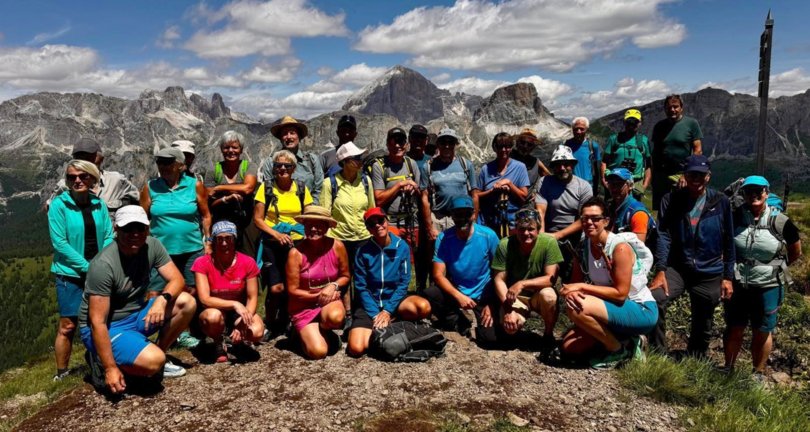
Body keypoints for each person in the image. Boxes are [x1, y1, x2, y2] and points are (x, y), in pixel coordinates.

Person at [79, 205, 196, 394]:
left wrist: (162, 299)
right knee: (152, 361)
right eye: (128, 229)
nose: (135, 234)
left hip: (136, 313)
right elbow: (97, 322)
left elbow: (177, 279)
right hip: (108, 325)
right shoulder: (103, 265)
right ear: (116, 229)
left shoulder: (152, 245)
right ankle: (102, 361)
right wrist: (110, 369)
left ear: (147, 229)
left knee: (186, 302)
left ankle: (158, 354)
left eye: (140, 228)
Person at [649, 155, 735, 357]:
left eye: (701, 174)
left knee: (704, 311)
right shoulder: (671, 200)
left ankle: (696, 357)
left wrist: (728, 277)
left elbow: (728, 240)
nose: (696, 178)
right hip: (677, 267)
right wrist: (660, 270)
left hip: (709, 269)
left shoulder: (720, 202)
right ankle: (658, 355)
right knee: (655, 298)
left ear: (708, 177)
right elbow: (663, 235)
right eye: (691, 174)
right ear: (684, 176)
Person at [560, 197, 658, 368]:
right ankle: (628, 341)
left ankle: (618, 349)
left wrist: (581, 287)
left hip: (639, 308)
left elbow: (621, 294)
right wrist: (572, 291)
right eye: (584, 218)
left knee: (577, 307)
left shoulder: (619, 248)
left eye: (595, 218)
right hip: (612, 308)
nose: (589, 222)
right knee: (569, 347)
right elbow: (575, 282)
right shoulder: (584, 247)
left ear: (606, 221)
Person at [723, 176, 802, 378]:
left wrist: (773, 268)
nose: (754, 195)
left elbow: (795, 251)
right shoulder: (735, 217)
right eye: (749, 191)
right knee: (734, 327)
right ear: (744, 194)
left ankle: (757, 372)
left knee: (762, 330)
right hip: (739, 283)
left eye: (759, 191)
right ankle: (728, 369)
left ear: (767, 192)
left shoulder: (780, 221)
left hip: (768, 285)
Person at [48, 160, 115, 381]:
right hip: (70, 273)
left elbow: (107, 234)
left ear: (93, 178)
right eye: (71, 177)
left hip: (98, 270)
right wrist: (89, 267)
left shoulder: (99, 204)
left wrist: (100, 263)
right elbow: (60, 243)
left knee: (101, 319)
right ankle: (62, 372)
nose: (77, 180)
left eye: (83, 176)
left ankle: (100, 360)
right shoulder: (59, 205)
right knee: (68, 324)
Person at [141, 146, 211, 349]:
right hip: (159, 252)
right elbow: (142, 217)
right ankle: (151, 337)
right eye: (160, 162)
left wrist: (208, 241)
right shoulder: (150, 187)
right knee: (154, 293)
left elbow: (206, 215)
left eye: (168, 162)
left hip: (191, 248)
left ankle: (180, 332)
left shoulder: (195, 185)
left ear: (180, 165)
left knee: (190, 291)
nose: (162, 167)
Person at [347, 207, 432, 357]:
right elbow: (360, 286)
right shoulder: (362, 251)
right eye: (372, 224)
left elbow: (404, 282)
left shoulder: (402, 247)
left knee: (423, 307)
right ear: (368, 229)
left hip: (394, 301)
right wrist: (375, 314)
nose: (378, 225)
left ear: (387, 221)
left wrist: (387, 311)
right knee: (356, 348)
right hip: (370, 303)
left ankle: (388, 324)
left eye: (380, 221)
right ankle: (391, 330)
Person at [423, 196, 501, 346]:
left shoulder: (489, 236)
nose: (462, 218)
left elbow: (499, 273)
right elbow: (438, 274)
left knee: (489, 340)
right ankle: (460, 321)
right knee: (431, 293)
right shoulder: (444, 238)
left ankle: (471, 320)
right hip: (458, 291)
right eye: (458, 214)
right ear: (452, 216)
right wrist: (458, 296)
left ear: (473, 214)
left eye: (466, 214)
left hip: (483, 294)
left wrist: (492, 303)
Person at [253, 150, 314, 338]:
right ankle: (271, 323)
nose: (282, 169)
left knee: (293, 286)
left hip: (296, 244)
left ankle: (290, 321)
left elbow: (308, 215)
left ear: (293, 169)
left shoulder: (302, 189)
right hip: (272, 243)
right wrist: (276, 234)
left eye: (287, 166)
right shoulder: (266, 188)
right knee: (275, 288)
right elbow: (258, 219)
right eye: (278, 165)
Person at [491, 208, 562, 354]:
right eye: (522, 229)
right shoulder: (505, 245)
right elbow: (499, 280)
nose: (526, 233)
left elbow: (550, 278)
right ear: (515, 229)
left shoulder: (549, 243)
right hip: (514, 297)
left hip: (537, 294)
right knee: (509, 329)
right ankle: (516, 327)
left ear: (538, 229)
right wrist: (508, 310)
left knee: (549, 296)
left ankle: (548, 335)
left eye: (531, 229)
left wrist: (522, 283)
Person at [192, 221, 263, 363]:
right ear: (213, 241)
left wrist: (243, 323)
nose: (224, 243)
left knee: (257, 331)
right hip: (216, 310)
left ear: (235, 239)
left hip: (240, 312)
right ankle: (218, 341)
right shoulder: (202, 263)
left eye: (228, 238)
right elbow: (205, 299)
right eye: (219, 239)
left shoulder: (247, 262)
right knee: (212, 317)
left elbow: (252, 297)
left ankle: (239, 340)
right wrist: (235, 304)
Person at [286, 206, 351, 360]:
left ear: (327, 227)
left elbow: (345, 275)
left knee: (335, 317)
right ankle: (300, 334)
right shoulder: (295, 254)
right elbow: (292, 291)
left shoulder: (337, 246)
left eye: (319, 224)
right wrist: (321, 295)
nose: (313, 229)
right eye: (309, 224)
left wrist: (333, 285)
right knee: (318, 352)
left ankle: (324, 330)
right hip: (303, 306)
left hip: (328, 302)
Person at [371, 127, 427, 287]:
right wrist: (401, 184)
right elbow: (379, 199)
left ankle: (419, 295)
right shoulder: (379, 166)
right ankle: (392, 298)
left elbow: (420, 192)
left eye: (401, 141)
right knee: (392, 263)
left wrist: (413, 188)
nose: (397, 145)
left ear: (406, 144)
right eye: (394, 141)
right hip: (390, 223)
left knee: (417, 263)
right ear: (388, 144)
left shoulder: (412, 164)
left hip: (412, 222)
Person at [535, 145, 593, 281]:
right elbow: (540, 210)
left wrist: (558, 235)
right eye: (558, 165)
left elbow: (584, 217)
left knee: (572, 274)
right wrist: (542, 236)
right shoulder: (545, 182)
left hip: (575, 238)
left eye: (566, 164)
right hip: (549, 234)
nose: (562, 168)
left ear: (572, 165)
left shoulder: (583, 187)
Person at [45, 137, 139, 216]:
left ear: (101, 158)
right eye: (80, 157)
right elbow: (50, 209)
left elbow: (138, 200)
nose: (85, 161)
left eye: (89, 157)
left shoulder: (116, 181)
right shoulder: (64, 185)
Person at [321, 141, 375, 268]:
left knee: (363, 280)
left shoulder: (366, 181)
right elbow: (325, 215)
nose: (360, 161)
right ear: (344, 161)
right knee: (342, 280)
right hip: (339, 240)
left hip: (363, 238)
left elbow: (371, 210)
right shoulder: (329, 184)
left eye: (360, 158)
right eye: (356, 158)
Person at [204, 130, 259, 254]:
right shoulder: (214, 168)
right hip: (221, 217)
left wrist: (220, 188)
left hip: (246, 219)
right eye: (226, 147)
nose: (230, 151)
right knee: (222, 253)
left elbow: (248, 188)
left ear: (241, 149)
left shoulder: (249, 166)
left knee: (247, 254)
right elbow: (209, 197)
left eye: (235, 147)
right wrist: (226, 198)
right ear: (221, 149)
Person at [420, 128, 479, 241]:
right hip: (438, 218)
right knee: (438, 254)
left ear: (455, 144)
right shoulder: (428, 167)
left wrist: (474, 219)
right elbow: (424, 198)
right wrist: (429, 226)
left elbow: (474, 195)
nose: (447, 146)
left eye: (450, 142)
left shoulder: (466, 165)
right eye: (443, 142)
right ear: (438, 144)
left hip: (462, 217)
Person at [651, 94, 703, 210]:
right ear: (665, 109)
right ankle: (661, 228)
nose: (672, 110)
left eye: (675, 107)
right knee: (662, 208)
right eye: (669, 107)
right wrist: (653, 177)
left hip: (681, 174)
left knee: (681, 208)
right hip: (661, 175)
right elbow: (656, 152)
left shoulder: (691, 124)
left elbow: (698, 150)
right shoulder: (659, 126)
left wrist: (686, 174)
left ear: (681, 108)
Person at [259, 116, 323, 204]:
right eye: (285, 133)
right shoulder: (271, 162)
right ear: (281, 138)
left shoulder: (312, 160)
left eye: (292, 133)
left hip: (307, 211)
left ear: (299, 137)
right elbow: (268, 190)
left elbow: (318, 190)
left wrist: (311, 209)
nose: (289, 137)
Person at [477, 132, 530, 238]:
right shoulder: (485, 169)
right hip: (489, 223)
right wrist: (492, 191)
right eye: (500, 146)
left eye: (507, 146)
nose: (504, 150)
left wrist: (509, 184)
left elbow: (524, 197)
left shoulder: (520, 168)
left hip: (513, 224)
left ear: (511, 147)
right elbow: (477, 195)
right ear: (495, 148)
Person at [601, 109, 652, 197]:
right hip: (615, 180)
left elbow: (648, 165)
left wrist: (644, 185)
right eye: (629, 121)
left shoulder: (644, 140)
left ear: (640, 123)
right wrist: (604, 179)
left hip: (636, 182)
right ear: (624, 122)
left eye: (635, 122)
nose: (631, 124)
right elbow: (604, 161)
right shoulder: (614, 139)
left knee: (634, 209)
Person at [605, 168, 654, 243]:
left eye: (619, 184)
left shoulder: (638, 213)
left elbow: (638, 247)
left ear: (630, 186)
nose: (614, 188)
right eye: (611, 184)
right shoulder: (609, 207)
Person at [510, 128, 551, 208]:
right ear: (517, 143)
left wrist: (538, 193)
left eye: (529, 144)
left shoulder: (535, 162)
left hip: (526, 207)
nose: (525, 146)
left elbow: (549, 178)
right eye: (523, 142)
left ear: (533, 147)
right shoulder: (507, 157)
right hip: (507, 205)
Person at [563, 117, 602, 194]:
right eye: (576, 129)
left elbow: (597, 168)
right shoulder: (567, 145)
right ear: (572, 129)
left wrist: (598, 185)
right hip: (571, 183)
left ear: (586, 129)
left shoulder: (593, 146)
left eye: (582, 129)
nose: (578, 131)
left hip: (588, 184)